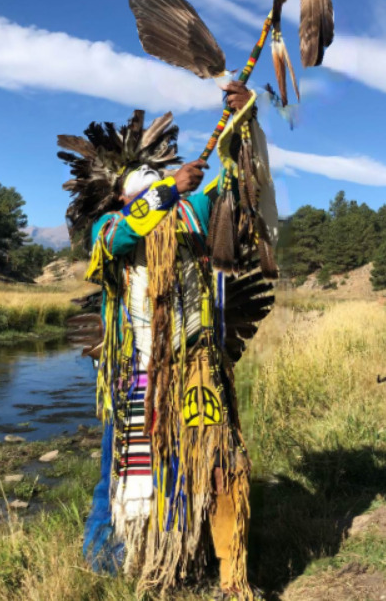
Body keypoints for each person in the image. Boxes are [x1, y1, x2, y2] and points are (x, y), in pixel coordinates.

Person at [58, 82, 276, 600]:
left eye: (161, 181)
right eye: (144, 184)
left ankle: (232, 578)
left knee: (218, 457)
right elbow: (125, 234)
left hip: (196, 356)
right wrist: (171, 188)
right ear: (119, 197)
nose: (157, 188)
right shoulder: (108, 229)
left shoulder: (193, 214)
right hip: (137, 368)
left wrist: (241, 124)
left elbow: (238, 192)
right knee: (129, 471)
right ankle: (113, 570)